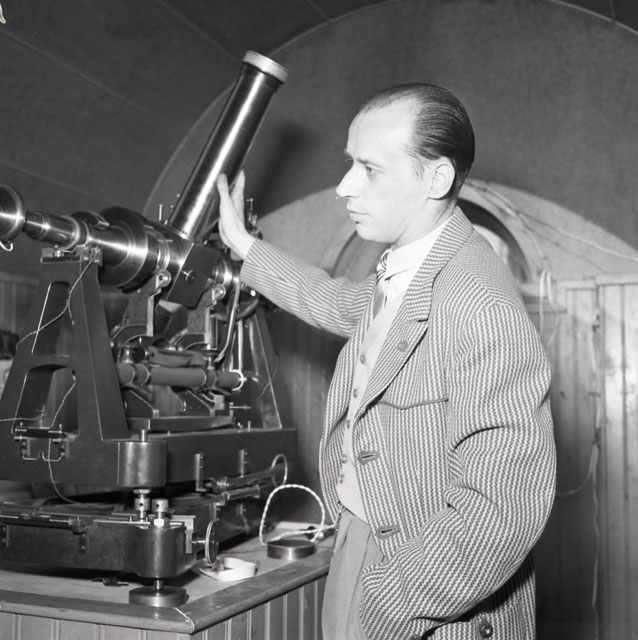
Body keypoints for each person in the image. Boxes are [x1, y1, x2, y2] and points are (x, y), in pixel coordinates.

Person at [217, 84, 556, 640]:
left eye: (370, 169)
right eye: (350, 163)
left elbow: (503, 510)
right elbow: (335, 301)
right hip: (366, 537)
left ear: (436, 179)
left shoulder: (479, 304)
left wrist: (387, 603)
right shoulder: (411, 271)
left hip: (423, 581)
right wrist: (245, 246)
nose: (344, 186)